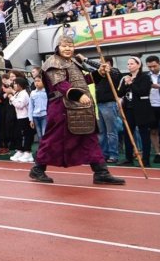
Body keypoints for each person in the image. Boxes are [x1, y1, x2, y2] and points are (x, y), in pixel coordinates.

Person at [29, 33, 125, 185]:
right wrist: (78, 96)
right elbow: (61, 85)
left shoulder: (73, 62)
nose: (68, 49)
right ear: (57, 47)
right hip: (61, 107)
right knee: (53, 139)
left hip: (81, 106)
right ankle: (38, 168)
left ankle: (101, 171)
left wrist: (98, 73)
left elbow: (83, 80)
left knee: (90, 138)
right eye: (64, 46)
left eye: (70, 46)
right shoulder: (52, 63)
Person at [118, 56, 154, 168]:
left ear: (138, 65)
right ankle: (129, 158)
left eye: (132, 64)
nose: (129, 66)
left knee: (144, 134)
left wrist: (131, 83)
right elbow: (120, 93)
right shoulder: (126, 77)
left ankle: (145, 159)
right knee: (128, 133)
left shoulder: (145, 77)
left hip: (142, 109)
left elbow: (143, 91)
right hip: (128, 108)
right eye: (128, 64)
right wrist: (125, 83)